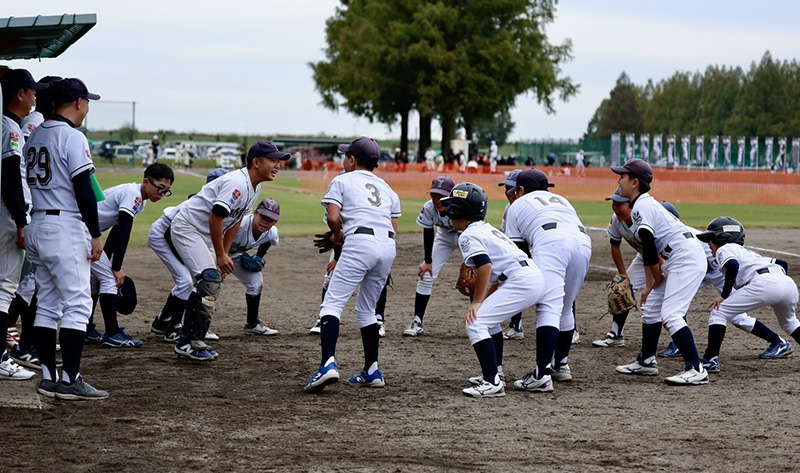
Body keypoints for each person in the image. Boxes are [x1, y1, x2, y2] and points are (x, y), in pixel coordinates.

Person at [24, 77, 108, 399]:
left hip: (37, 224)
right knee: (78, 303)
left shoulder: (36, 135)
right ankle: (71, 379)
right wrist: (96, 234)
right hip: (63, 225)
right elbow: (84, 189)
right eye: (87, 101)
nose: (87, 107)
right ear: (77, 103)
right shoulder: (72, 136)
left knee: (46, 303)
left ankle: (48, 377)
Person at [169, 141, 288, 361]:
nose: (278, 165)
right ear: (256, 162)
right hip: (188, 227)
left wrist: (221, 255)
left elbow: (235, 221)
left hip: (203, 232)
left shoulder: (254, 187)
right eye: (273, 160)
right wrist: (221, 255)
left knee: (212, 280)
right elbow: (217, 217)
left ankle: (193, 339)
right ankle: (187, 341)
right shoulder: (238, 183)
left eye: (278, 161)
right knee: (207, 281)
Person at [304, 136, 400, 393]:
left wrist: (338, 238)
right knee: (367, 310)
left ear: (352, 160)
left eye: (346, 155)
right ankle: (371, 370)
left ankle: (327, 365)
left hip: (359, 242)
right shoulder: (387, 188)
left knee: (332, 304)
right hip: (387, 245)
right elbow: (394, 228)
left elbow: (333, 217)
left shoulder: (342, 180)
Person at [440, 183, 545, 397]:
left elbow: (485, 266)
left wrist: (477, 302)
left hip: (521, 280)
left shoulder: (467, 236)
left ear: (459, 210)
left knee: (476, 322)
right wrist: (485, 299)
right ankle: (496, 373)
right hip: (527, 276)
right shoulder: (486, 228)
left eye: (452, 207)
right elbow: (500, 272)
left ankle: (492, 382)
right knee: (489, 321)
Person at [611, 158, 709, 385]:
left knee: (672, 314)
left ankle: (696, 369)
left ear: (634, 182)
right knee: (652, 307)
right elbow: (649, 248)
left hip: (685, 257)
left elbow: (648, 245)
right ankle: (646, 360)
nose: (619, 180)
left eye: (622, 177)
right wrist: (653, 283)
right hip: (678, 256)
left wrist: (652, 281)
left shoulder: (642, 206)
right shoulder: (642, 204)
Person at [504, 169, 591, 387]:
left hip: (552, 242)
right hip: (583, 243)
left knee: (548, 306)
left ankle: (540, 375)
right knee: (565, 306)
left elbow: (519, 251)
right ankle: (561, 366)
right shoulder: (562, 200)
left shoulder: (516, 205)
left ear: (521, 189)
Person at [83, 163, 174, 348]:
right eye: (160, 188)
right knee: (108, 278)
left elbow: (116, 232)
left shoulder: (140, 197)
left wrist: (107, 259)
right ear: (146, 181)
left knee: (95, 278)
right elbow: (124, 232)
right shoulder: (133, 194)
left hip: (84, 231)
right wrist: (115, 268)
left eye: (166, 191)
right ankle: (113, 333)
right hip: (81, 229)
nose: (162, 194)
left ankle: (87, 329)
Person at [697, 217, 799, 373]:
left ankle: (710, 359)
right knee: (790, 322)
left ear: (721, 238)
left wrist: (724, 295)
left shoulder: (725, 249)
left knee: (719, 311)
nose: (708, 244)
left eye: (710, 239)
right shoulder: (748, 253)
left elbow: (732, 265)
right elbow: (781, 263)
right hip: (787, 284)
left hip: (765, 283)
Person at [1, 69, 48, 381]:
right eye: (32, 92)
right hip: (7, 217)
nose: (34, 98)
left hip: (5, 215)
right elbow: (10, 178)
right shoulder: (11, 128)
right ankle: (1, 357)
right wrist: (21, 221)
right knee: (6, 289)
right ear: (20, 94)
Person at [403, 176, 457, 337]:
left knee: (473, 277)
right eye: (434, 195)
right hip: (445, 237)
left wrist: (470, 264)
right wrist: (428, 261)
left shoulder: (460, 207)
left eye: (442, 196)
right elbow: (428, 233)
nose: (437, 200)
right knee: (425, 275)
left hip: (465, 235)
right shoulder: (428, 208)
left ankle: (478, 322)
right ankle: (417, 321)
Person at [228, 198, 281, 336]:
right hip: (213, 250)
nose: (265, 221)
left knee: (256, 282)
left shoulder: (272, 232)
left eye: (270, 219)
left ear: (275, 221)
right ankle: (195, 326)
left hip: (235, 254)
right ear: (255, 213)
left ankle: (252, 323)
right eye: (262, 216)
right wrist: (218, 262)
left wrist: (259, 257)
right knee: (206, 283)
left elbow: (269, 241)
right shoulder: (240, 224)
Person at [498, 169, 525, 340]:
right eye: (506, 188)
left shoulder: (527, 206)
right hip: (522, 248)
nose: (508, 193)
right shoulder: (509, 208)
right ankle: (516, 325)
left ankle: (571, 328)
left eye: (512, 189)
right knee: (514, 277)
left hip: (543, 248)